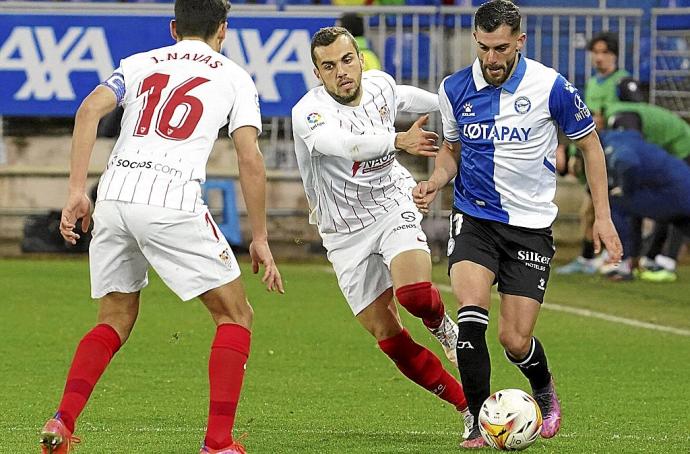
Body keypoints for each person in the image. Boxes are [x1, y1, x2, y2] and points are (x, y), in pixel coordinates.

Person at [39, 1, 284, 453]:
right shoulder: (234, 76)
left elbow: (89, 110)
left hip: (114, 194)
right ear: (222, 31)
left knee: (114, 317)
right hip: (171, 198)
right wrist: (262, 237)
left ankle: (61, 421)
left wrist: (77, 190)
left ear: (174, 28)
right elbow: (250, 158)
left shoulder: (137, 64)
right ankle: (218, 443)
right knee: (235, 314)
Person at [412, 0, 622, 448]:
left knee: (513, 338)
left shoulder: (552, 87)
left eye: (501, 48)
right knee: (470, 320)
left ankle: (543, 390)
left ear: (519, 42)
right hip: (474, 218)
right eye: (484, 47)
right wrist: (435, 180)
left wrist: (602, 216)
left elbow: (591, 147)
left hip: (530, 227)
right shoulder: (455, 89)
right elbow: (451, 150)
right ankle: (476, 419)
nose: (491, 58)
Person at [291, 26, 473, 441]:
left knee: (412, 294)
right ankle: (467, 406)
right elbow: (341, 145)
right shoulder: (309, 113)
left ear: (359, 58)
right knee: (387, 336)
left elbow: (418, 99)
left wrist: (461, 108)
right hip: (342, 232)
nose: (342, 72)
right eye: (329, 66)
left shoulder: (380, 85)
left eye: (347, 59)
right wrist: (397, 140)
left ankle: (445, 328)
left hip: (392, 204)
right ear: (317, 73)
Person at [556, 31, 629, 275]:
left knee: (597, 209)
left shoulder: (622, 82)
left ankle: (607, 258)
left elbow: (625, 117)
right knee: (590, 210)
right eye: (595, 52)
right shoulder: (592, 83)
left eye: (604, 52)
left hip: (615, 154)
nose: (599, 58)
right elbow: (586, 124)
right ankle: (596, 258)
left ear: (615, 55)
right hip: (595, 154)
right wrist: (573, 152)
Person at [604, 78, 690, 281]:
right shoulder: (639, 112)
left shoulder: (619, 119)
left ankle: (653, 260)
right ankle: (649, 257)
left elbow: (628, 159)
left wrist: (625, 187)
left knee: (623, 201)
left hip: (682, 155)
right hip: (674, 161)